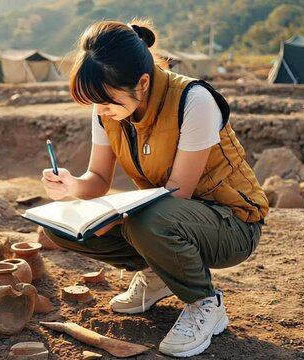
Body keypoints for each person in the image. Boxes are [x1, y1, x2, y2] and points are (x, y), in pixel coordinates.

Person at [40, 19, 268, 357]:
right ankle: (159, 273)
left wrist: (114, 216)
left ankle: (205, 303)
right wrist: (71, 186)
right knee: (61, 226)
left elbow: (178, 192)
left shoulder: (194, 100)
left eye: (107, 103)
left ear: (142, 82)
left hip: (233, 224)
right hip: (168, 218)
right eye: (95, 104)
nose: (101, 111)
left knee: (145, 221)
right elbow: (98, 180)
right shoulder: (107, 110)